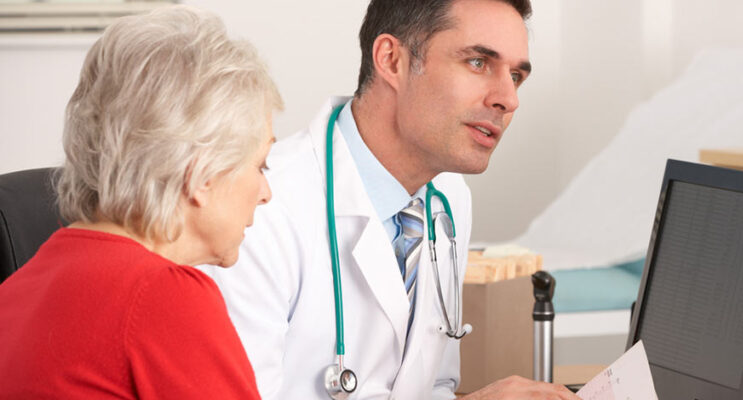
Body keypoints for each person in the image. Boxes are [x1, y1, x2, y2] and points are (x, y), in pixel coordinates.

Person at [200, 0, 578, 399]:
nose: (508, 99)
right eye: (479, 63)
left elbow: (433, 388)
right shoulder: (259, 207)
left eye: (516, 75)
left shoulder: (449, 202)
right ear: (392, 60)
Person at [0, 5, 281, 399]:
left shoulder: (15, 292)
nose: (266, 192)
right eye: (260, 164)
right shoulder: (164, 298)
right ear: (202, 175)